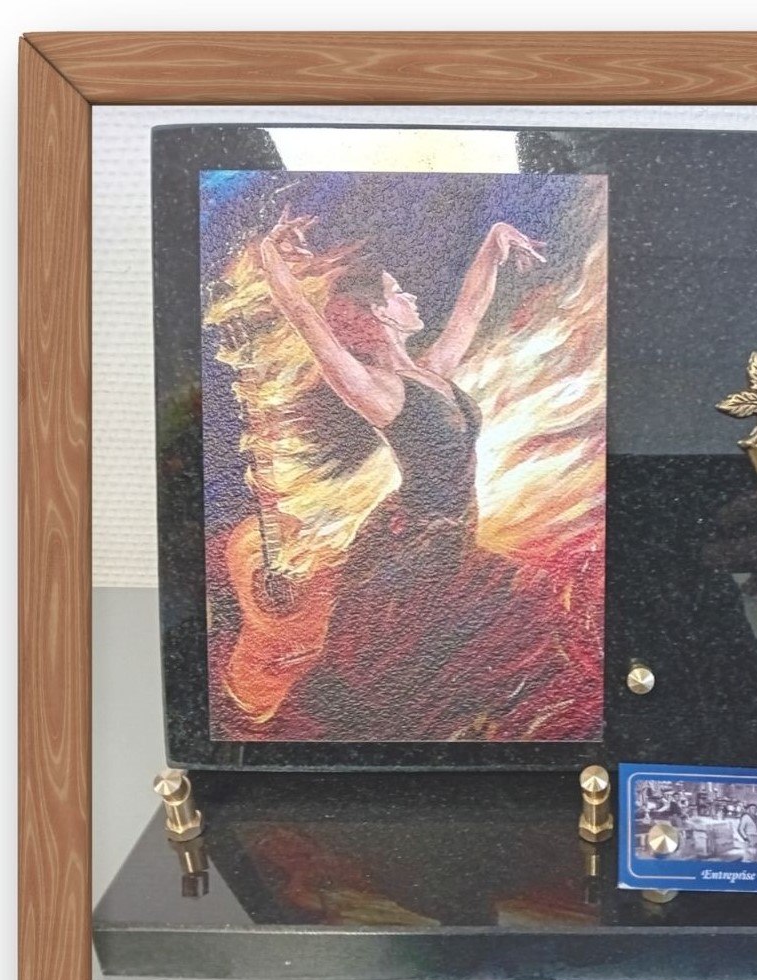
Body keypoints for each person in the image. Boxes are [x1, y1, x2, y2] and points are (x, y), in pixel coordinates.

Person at [231, 208, 591, 741]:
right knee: (404, 666)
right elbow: (306, 322)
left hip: (445, 538)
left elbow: (470, 310)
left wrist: (492, 244)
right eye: (399, 292)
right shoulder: (376, 389)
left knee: (442, 660)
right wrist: (268, 256)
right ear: (380, 313)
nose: (412, 297)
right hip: (411, 548)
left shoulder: (429, 373)